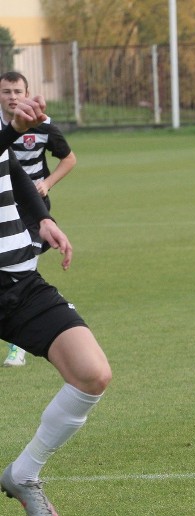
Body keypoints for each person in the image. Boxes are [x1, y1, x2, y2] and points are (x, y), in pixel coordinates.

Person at [0, 95, 112, 516]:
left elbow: (6, 163)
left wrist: (41, 217)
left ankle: (23, 474)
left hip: (19, 281)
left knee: (92, 374)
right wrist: (11, 128)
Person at [0, 71, 78, 366]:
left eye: (17, 91)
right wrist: (14, 130)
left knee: (23, 265)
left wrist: (45, 213)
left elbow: (13, 165)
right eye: (6, 91)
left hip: (29, 208)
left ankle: (19, 340)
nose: (12, 97)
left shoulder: (43, 126)